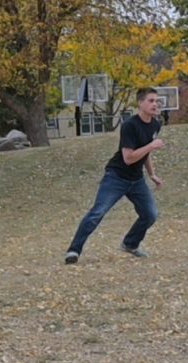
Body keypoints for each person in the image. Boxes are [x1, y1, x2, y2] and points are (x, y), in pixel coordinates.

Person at [64, 88, 165, 264]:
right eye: (150, 100)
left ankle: (130, 244)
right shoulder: (130, 126)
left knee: (150, 214)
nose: (155, 104)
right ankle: (74, 250)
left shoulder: (155, 125)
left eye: (157, 101)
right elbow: (128, 158)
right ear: (140, 103)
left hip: (136, 180)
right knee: (97, 212)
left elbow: (145, 153)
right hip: (116, 177)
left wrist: (152, 174)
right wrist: (151, 146)